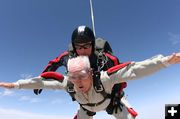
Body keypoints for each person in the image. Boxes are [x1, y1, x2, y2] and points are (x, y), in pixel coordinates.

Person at [0, 53, 180, 119]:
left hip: (111, 103)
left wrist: (165, 62)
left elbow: (134, 70)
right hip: (86, 109)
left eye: (83, 76)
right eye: (73, 76)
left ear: (91, 73)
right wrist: (15, 85)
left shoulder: (103, 79)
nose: (78, 81)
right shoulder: (68, 83)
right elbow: (41, 82)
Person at [33, 25, 137, 118]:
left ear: (92, 44)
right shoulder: (69, 58)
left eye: (86, 46)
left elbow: (119, 73)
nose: (83, 50)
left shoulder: (104, 58)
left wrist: (117, 95)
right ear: (74, 47)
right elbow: (53, 63)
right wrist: (40, 81)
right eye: (79, 47)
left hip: (110, 98)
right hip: (86, 102)